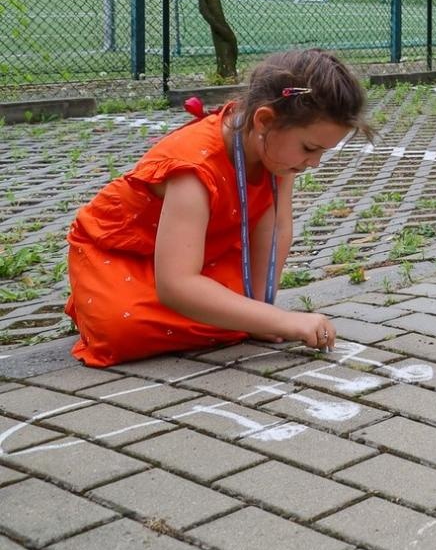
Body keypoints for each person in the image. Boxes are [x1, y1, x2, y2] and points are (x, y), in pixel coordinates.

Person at [65, 49, 371, 368]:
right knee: (122, 327)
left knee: (236, 308)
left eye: (322, 152)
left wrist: (263, 312)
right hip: (122, 255)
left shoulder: (277, 155)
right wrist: (280, 321)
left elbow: (275, 229)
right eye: (309, 148)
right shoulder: (193, 168)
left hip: (201, 253)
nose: (314, 162)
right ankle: (93, 297)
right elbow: (177, 286)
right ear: (264, 120)